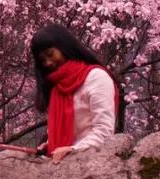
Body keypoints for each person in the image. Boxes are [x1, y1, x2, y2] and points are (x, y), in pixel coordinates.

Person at [30, 24, 124, 164]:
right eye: (42, 60)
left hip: (92, 164)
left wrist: (73, 149)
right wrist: (50, 144)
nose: (48, 63)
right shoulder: (57, 87)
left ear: (64, 47)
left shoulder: (96, 77)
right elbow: (71, 131)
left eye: (50, 54)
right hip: (64, 164)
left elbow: (104, 131)